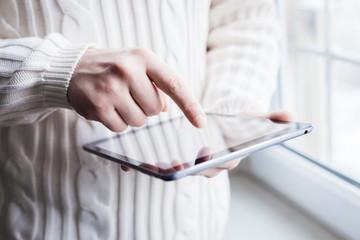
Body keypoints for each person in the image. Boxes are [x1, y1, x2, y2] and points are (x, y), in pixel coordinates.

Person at [0, 0, 290, 239]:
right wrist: (56, 70)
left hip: (198, 224)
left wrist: (230, 107)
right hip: (43, 226)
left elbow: (245, 17)